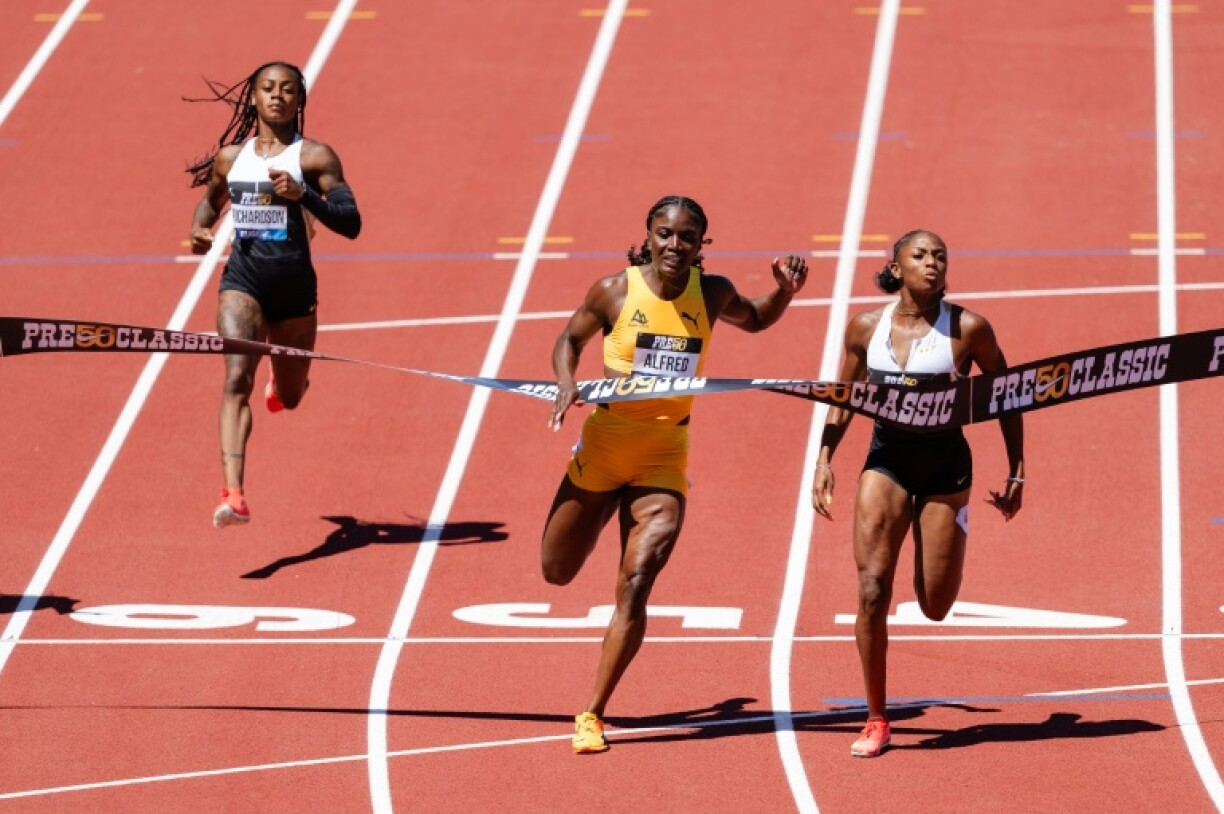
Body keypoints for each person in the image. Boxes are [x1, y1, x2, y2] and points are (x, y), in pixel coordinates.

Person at [543, 195, 809, 753]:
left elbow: (756, 319)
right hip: (603, 448)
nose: (674, 245)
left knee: (635, 586)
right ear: (648, 234)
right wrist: (568, 380)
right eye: (664, 234)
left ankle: (591, 713)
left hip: (664, 459)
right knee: (556, 570)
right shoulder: (614, 291)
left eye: (687, 237)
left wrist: (784, 291)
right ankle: (593, 517)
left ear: (700, 245)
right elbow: (569, 340)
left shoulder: (710, 294)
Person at [810, 229, 1025, 757]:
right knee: (871, 590)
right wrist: (824, 458)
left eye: (940, 257)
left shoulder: (968, 328)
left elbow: (1009, 393)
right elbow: (843, 397)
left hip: (945, 468)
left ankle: (939, 539)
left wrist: (1018, 469)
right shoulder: (866, 328)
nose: (932, 264)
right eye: (921, 256)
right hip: (886, 463)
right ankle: (877, 719)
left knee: (934, 604)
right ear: (897, 267)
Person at [185, 61, 361, 528]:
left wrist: (302, 195)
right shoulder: (230, 159)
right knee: (234, 379)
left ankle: (285, 386)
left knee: (292, 394)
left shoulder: (314, 158)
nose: (277, 96)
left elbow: (352, 223)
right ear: (254, 99)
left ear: (300, 101)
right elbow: (210, 201)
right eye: (267, 89)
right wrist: (199, 228)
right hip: (243, 283)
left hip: (295, 293)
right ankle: (233, 493)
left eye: (287, 90)